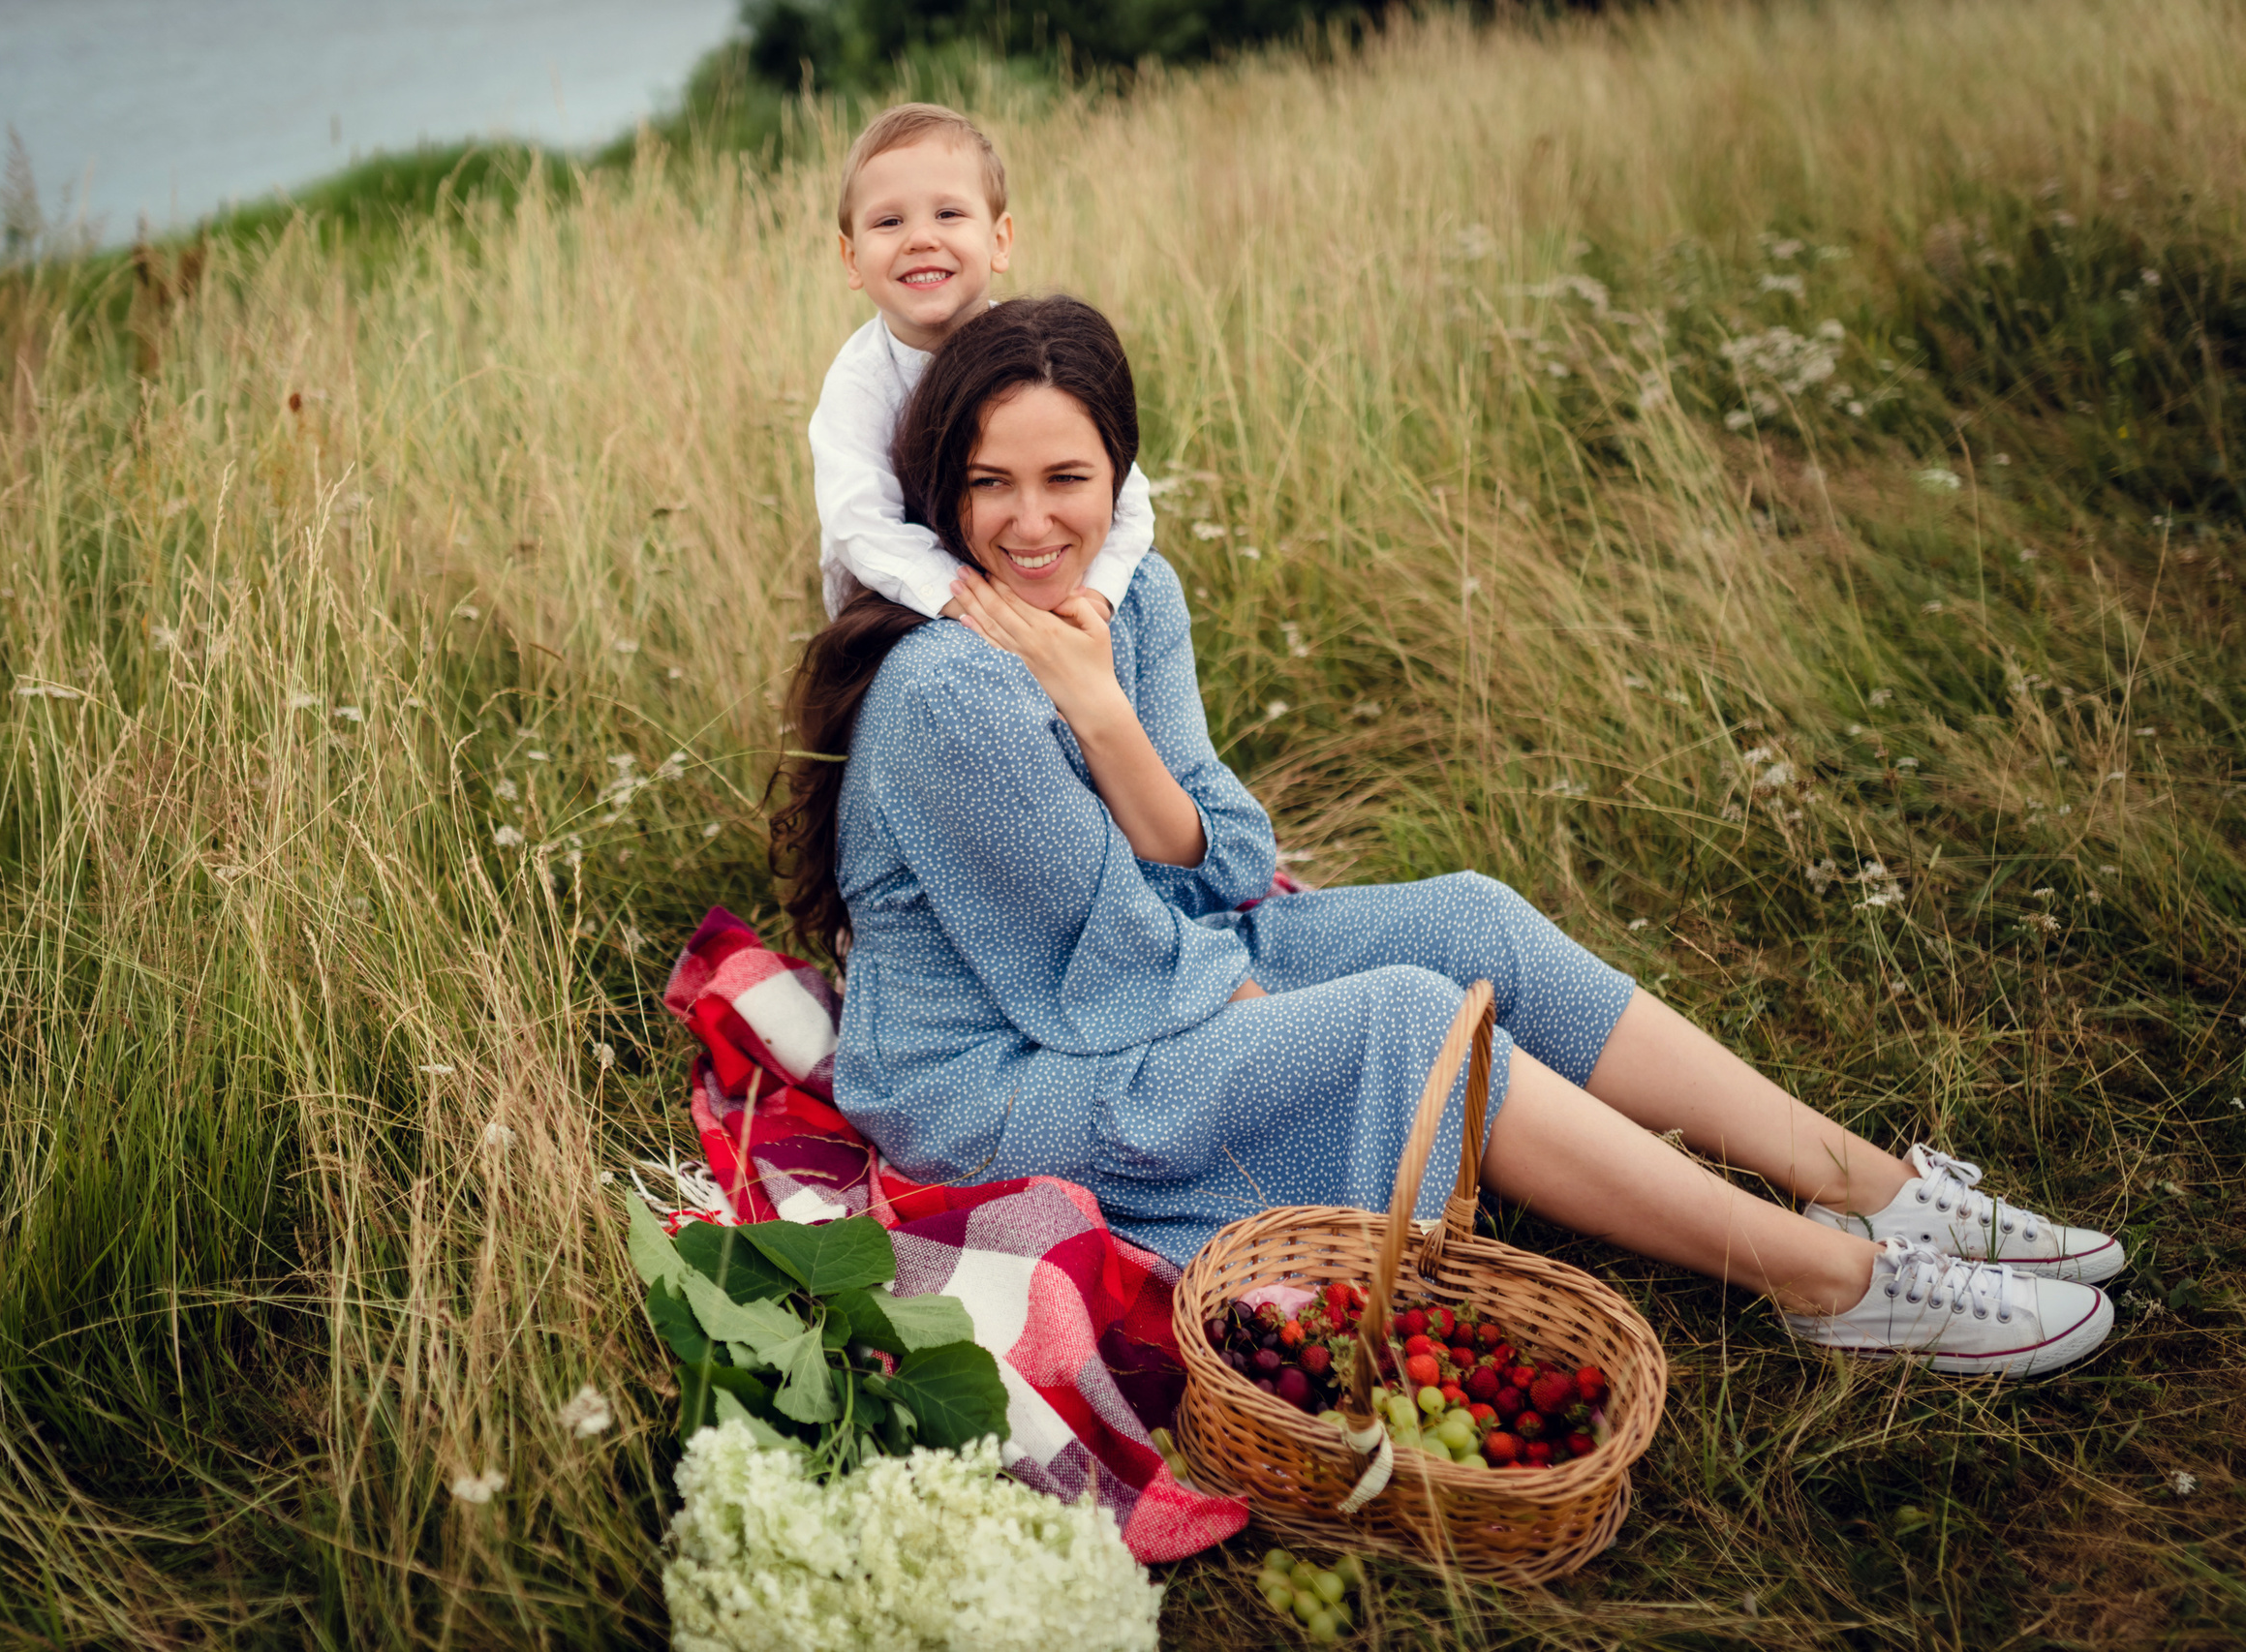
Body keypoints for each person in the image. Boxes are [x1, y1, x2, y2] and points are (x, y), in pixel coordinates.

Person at [770, 294, 2122, 1380]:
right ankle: (1836, 1286)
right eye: (987, 484)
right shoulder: (946, 689)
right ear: (942, 491)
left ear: (1119, 475)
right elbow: (1107, 970)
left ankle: (1868, 1185)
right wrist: (1286, 1004)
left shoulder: (1135, 593)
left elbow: (1231, 855)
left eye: (1067, 477)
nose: (1028, 522)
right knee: (1406, 1021)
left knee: (1466, 916)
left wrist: (1106, 715)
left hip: (1143, 958)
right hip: (997, 1073)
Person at [810, 102, 1156, 624]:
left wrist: (1099, 595)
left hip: (1036, 574)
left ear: (999, 241)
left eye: (948, 214)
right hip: (911, 606)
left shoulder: (1037, 359)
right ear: (852, 260)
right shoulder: (860, 381)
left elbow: (1126, 494)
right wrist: (969, 606)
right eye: (888, 221)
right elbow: (858, 524)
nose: (921, 238)